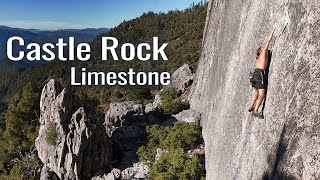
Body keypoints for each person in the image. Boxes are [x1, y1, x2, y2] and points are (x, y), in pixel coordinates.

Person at [249, 27, 276, 118]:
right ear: (260, 51)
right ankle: (256, 110)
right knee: (262, 94)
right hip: (259, 75)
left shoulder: (258, 59)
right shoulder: (263, 53)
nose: (265, 49)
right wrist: (273, 31)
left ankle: (252, 106)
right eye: (262, 49)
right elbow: (268, 41)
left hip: (254, 75)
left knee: (256, 92)